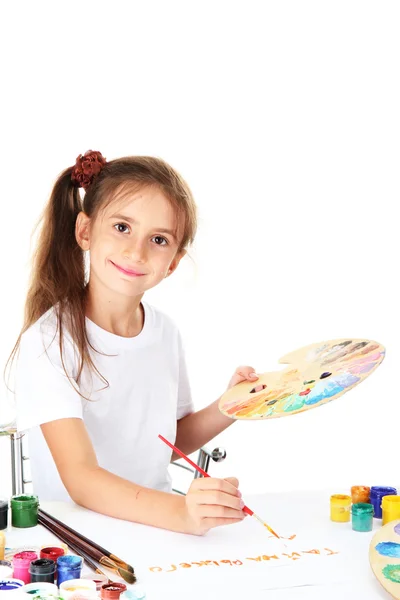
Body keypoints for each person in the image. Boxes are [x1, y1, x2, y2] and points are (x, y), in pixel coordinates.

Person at [9, 150, 259, 535]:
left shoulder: (165, 333)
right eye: (122, 227)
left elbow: (169, 438)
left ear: (173, 262)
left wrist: (231, 405)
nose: (136, 251)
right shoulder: (49, 341)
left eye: (158, 239)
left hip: (154, 528)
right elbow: (81, 478)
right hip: (77, 539)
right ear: (85, 231)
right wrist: (180, 513)